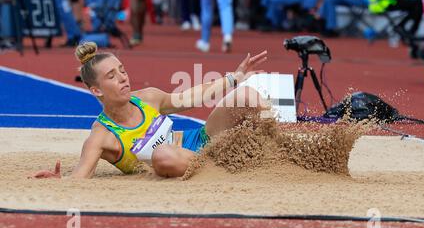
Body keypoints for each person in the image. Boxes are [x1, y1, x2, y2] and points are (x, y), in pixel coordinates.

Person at [30, 42, 269, 179]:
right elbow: (79, 178)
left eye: (122, 70)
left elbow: (191, 97)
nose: (123, 78)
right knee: (162, 155)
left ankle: (282, 148)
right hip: (179, 162)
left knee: (244, 96)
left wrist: (234, 78)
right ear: (97, 91)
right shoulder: (101, 136)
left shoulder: (148, 97)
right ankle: (219, 169)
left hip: (203, 140)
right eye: (112, 76)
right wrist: (59, 181)